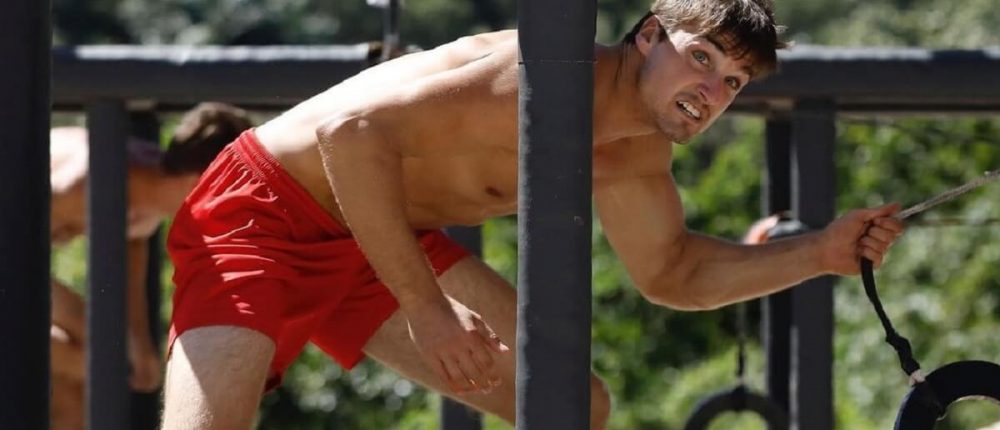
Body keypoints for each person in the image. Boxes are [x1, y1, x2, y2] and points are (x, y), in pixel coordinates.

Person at [160, 0, 905, 428]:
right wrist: (427, 308)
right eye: (702, 58)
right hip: (265, 212)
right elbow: (349, 138)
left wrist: (821, 253)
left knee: (575, 406)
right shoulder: (540, 75)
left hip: (382, 236)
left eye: (733, 82)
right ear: (649, 35)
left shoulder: (636, 154)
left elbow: (673, 273)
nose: (710, 91)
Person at [48, 102, 253, 430]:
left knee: (84, 384)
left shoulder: (154, 189)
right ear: (200, 181)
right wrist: (110, 344)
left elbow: (131, 251)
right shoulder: (91, 181)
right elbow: (14, 263)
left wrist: (141, 343)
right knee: (100, 349)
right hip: (13, 252)